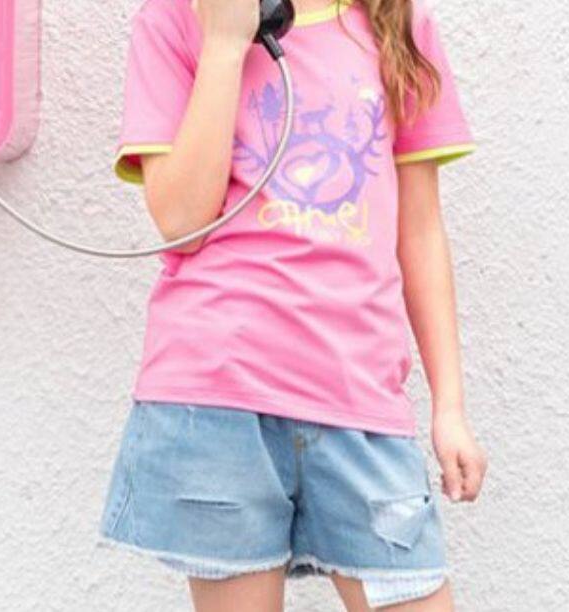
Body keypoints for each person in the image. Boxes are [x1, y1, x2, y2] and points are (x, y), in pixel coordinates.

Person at [101, 0, 486, 609]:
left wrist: (450, 407)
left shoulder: (398, 25)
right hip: (221, 397)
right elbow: (181, 221)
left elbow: (419, 232)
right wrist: (225, 45)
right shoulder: (173, 20)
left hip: (359, 396)